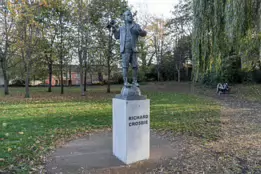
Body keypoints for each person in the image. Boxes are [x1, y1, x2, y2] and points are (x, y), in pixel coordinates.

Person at [112, 10, 147, 87]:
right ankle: (125, 82)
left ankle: (135, 81)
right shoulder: (122, 28)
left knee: (135, 66)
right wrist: (114, 30)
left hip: (133, 49)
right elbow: (117, 36)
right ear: (124, 18)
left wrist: (141, 32)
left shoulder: (136, 26)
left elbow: (143, 33)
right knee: (125, 66)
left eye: (131, 15)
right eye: (128, 15)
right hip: (125, 49)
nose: (130, 16)